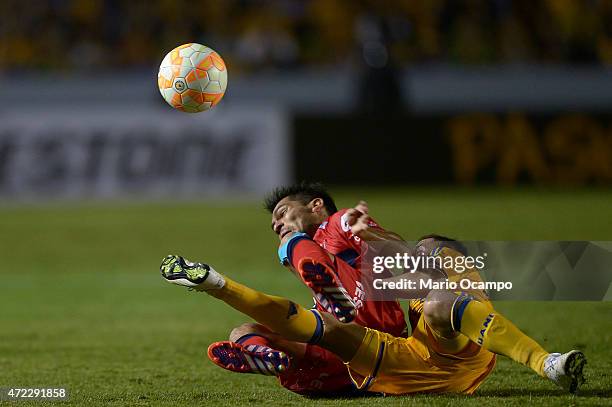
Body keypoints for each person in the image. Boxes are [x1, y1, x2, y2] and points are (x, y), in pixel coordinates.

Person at [160, 231, 586, 395]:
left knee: (439, 302)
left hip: (457, 353)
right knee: (314, 328)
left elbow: (423, 257)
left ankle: (547, 363)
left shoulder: (454, 273)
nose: (419, 255)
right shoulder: (398, 277)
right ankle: (220, 288)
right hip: (406, 364)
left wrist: (425, 251)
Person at [206, 182, 418, 395]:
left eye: (283, 213)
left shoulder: (339, 221)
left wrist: (368, 233)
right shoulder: (308, 252)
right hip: (340, 360)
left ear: (316, 205)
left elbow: (402, 253)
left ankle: (334, 309)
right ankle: (266, 357)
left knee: (291, 243)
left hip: (376, 331)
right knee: (244, 331)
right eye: (274, 225)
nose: (278, 225)